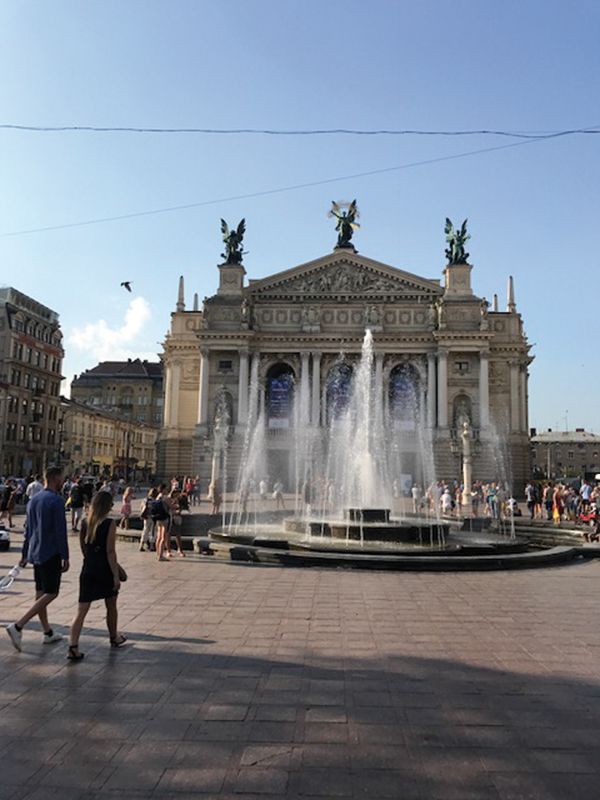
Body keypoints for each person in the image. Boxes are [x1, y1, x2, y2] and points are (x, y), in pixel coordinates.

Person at [5, 467, 68, 652]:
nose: (63, 481)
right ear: (55, 478)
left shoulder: (33, 500)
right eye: (62, 478)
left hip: (36, 551)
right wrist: (65, 556)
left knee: (40, 593)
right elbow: (60, 531)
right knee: (52, 592)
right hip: (51, 552)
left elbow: (28, 529)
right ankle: (18, 625)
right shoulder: (56, 501)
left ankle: (47, 632)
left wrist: (25, 554)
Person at [67, 491, 126, 660]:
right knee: (111, 605)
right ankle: (114, 637)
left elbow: (84, 549)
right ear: (107, 506)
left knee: (81, 611)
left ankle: (73, 646)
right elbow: (110, 552)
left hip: (88, 569)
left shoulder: (85, 523)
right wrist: (115, 576)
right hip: (105, 570)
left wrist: (91, 560)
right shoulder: (109, 523)